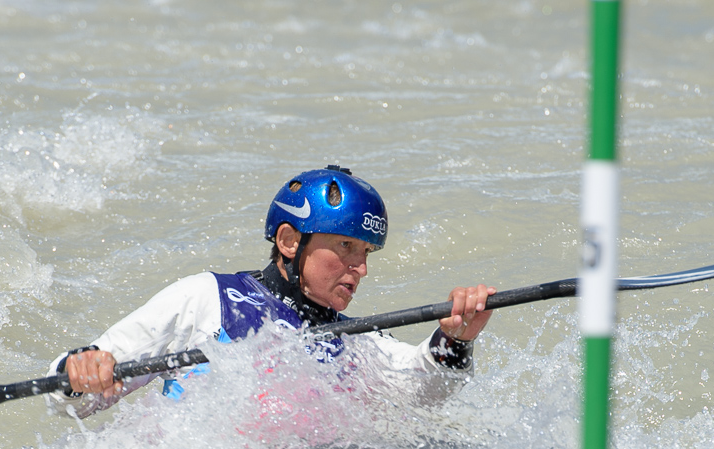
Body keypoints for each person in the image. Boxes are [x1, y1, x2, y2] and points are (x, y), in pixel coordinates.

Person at [54, 166, 495, 418]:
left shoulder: (357, 341)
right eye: (345, 247)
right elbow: (73, 402)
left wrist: (455, 339)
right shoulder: (207, 298)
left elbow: (423, 392)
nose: (360, 268)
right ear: (289, 241)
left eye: (366, 252)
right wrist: (82, 370)